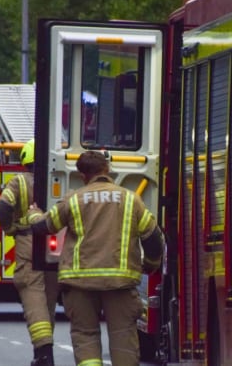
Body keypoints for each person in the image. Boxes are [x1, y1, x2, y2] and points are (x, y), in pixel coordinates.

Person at [29, 150, 165, 366]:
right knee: (123, 338)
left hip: (80, 283)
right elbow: (154, 237)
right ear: (107, 170)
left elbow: (43, 226)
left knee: (86, 336)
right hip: (120, 284)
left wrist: (33, 214)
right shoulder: (131, 199)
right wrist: (150, 265)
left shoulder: (73, 200)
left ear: (83, 175)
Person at [0, 139, 58, 366]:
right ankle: (43, 351)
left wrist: (10, 228)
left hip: (28, 242)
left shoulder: (19, 182)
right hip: (55, 243)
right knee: (49, 299)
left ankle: (43, 354)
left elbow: (3, 207)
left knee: (34, 297)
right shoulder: (56, 180)